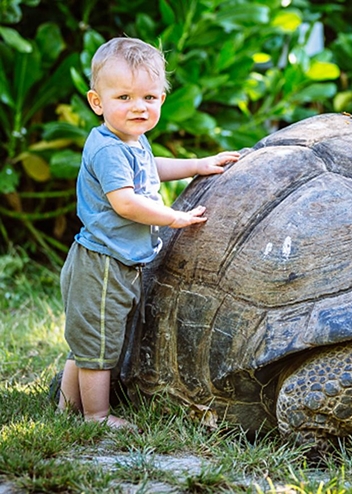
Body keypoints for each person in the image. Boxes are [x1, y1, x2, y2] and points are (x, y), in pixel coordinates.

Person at [57, 37, 239, 429]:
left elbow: (151, 167)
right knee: (99, 347)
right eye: (124, 97)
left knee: (89, 341)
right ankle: (96, 416)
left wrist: (198, 164)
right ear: (97, 102)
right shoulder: (107, 149)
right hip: (102, 264)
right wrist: (171, 217)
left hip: (118, 260)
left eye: (150, 98)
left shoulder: (129, 140)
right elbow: (125, 202)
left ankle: (65, 409)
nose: (139, 107)